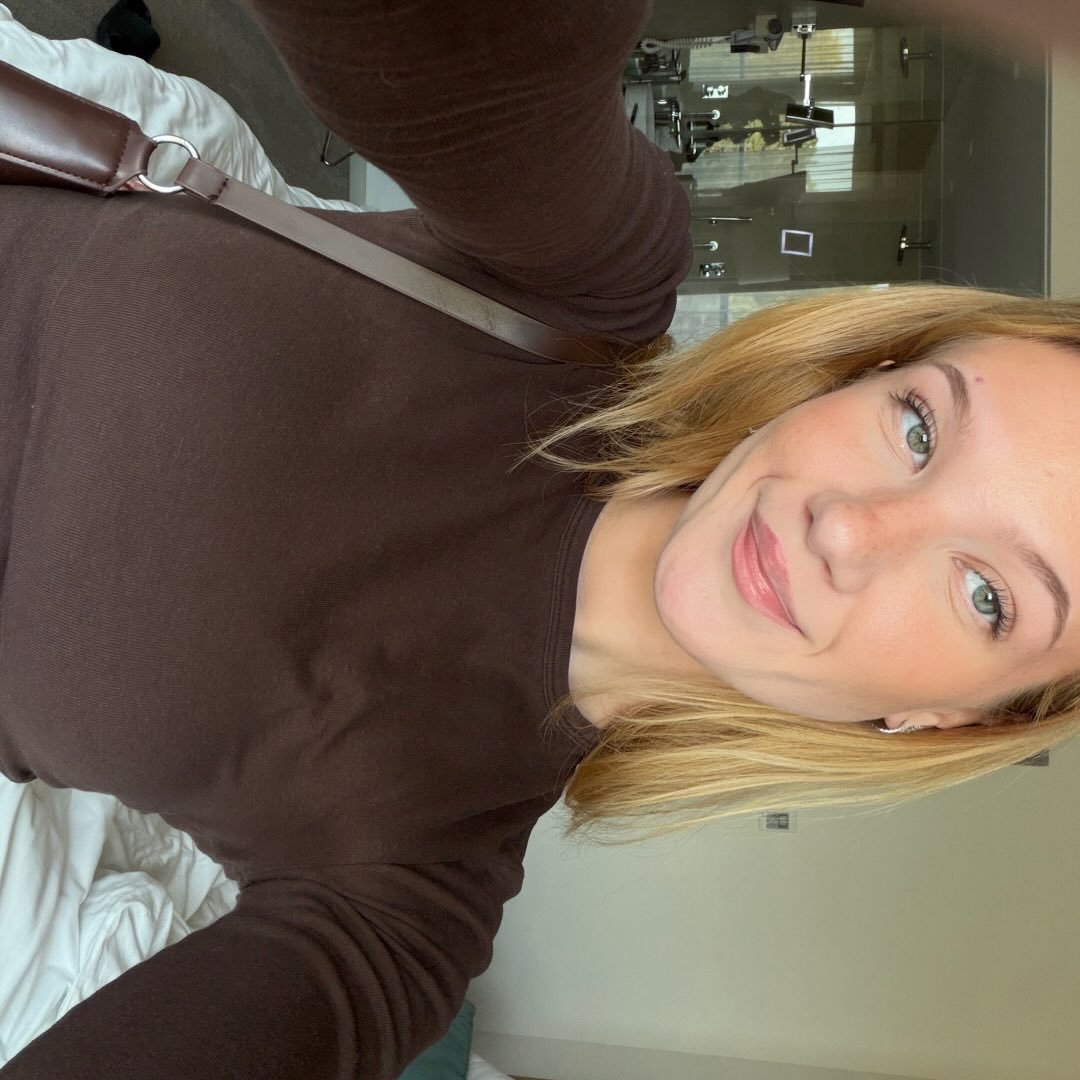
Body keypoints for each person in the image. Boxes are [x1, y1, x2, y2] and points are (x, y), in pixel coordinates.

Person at [0, 1, 1077, 1077]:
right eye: (919, 426)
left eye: (987, 595)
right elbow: (446, 56)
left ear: (942, 722)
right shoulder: (583, 285)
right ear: (857, 377)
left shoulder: (408, 899)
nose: (846, 527)